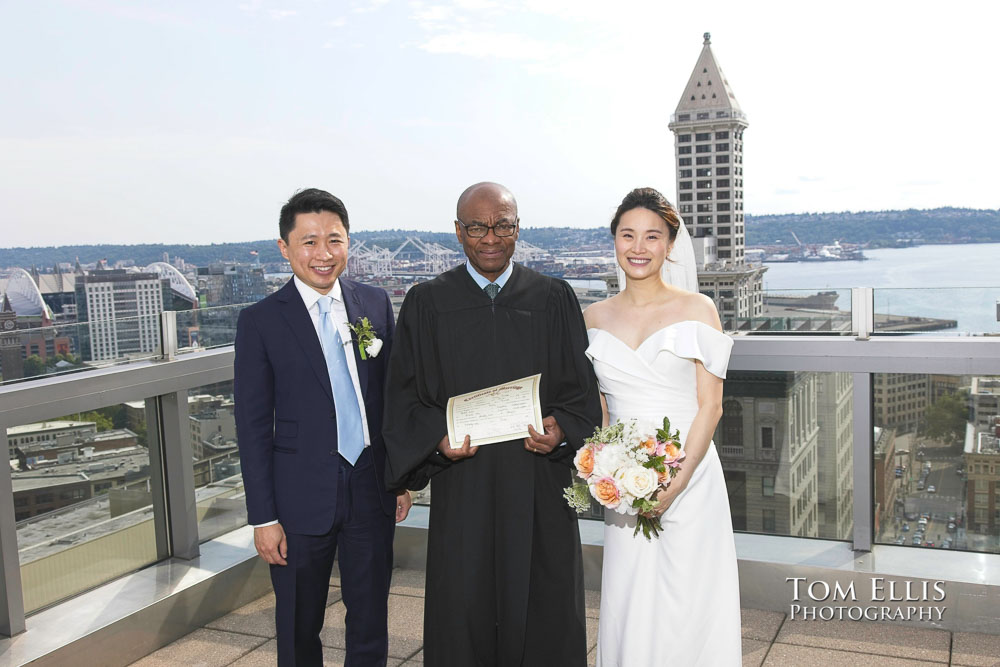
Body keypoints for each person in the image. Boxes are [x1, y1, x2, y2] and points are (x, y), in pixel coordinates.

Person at [383, 182, 602, 666]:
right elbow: (404, 400)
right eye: (478, 226)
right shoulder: (426, 303)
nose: (490, 237)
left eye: (503, 225)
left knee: (546, 607)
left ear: (518, 229)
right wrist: (438, 442)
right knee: (466, 611)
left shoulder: (553, 297)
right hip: (466, 487)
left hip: (539, 484)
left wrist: (562, 430)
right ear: (458, 232)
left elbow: (581, 395)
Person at [234, 188, 412, 667]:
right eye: (309, 241)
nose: (323, 254)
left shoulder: (374, 304)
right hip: (297, 500)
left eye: (334, 240)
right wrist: (263, 518)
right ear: (284, 247)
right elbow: (251, 427)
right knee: (298, 622)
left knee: (371, 615)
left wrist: (398, 478)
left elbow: (388, 402)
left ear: (349, 242)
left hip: (371, 485)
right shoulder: (260, 322)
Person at [584, 187, 741, 666]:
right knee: (632, 596)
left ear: (670, 245)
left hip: (690, 476)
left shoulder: (698, 310)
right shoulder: (592, 317)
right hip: (623, 483)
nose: (638, 247)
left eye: (652, 236)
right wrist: (599, 469)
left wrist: (674, 484)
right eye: (628, 234)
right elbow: (602, 414)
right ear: (614, 241)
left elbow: (710, 407)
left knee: (690, 598)